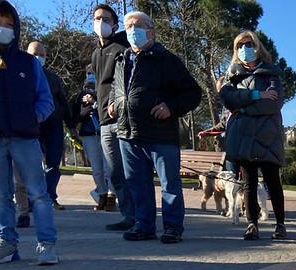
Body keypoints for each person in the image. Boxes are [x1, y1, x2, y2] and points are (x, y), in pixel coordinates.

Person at [109, 10, 201, 243]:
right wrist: (113, 103)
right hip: (128, 133)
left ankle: (172, 227)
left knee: (169, 184)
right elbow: (116, 88)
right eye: (128, 26)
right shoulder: (121, 60)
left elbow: (192, 92)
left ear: (151, 31)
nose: (131, 31)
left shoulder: (167, 60)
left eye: (137, 26)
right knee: (137, 184)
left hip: (161, 135)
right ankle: (144, 225)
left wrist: (171, 106)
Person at [0, 0, 58, 265]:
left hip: (25, 138)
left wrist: (32, 118)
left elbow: (46, 100)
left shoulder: (28, 63)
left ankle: (47, 244)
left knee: (38, 194)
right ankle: (7, 244)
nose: (4, 29)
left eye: (9, 25)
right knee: (1, 196)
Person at [221, 30, 287, 241]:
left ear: (257, 47)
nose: (244, 49)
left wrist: (243, 108)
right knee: (248, 184)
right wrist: (256, 95)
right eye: (240, 45)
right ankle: (252, 224)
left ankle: (280, 224)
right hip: (244, 138)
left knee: (272, 182)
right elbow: (228, 99)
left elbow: (273, 103)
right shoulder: (232, 75)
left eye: (249, 44)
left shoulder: (271, 74)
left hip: (268, 137)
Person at [91, 3, 133, 231]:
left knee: (131, 170)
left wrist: (116, 102)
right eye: (97, 18)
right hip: (104, 122)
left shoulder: (122, 46)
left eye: (105, 19)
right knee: (115, 172)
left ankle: (141, 217)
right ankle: (128, 216)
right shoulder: (96, 53)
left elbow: (125, 80)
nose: (100, 23)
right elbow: (99, 85)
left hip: (123, 118)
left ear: (115, 24)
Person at [26, 41, 70, 212]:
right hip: (30, 127)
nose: (38, 58)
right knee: (31, 164)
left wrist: (71, 125)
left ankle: (50, 196)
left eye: (42, 55)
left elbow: (63, 103)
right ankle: (31, 200)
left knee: (53, 164)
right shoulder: (19, 76)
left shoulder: (53, 78)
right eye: (34, 54)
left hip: (53, 126)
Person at [71, 65, 112, 210]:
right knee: (97, 169)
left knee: (109, 167)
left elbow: (109, 111)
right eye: (89, 73)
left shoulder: (106, 90)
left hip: (105, 133)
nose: (91, 76)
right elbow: (75, 117)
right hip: (89, 135)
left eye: (93, 73)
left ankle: (111, 196)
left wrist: (95, 102)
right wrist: (83, 109)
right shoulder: (80, 95)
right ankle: (101, 195)